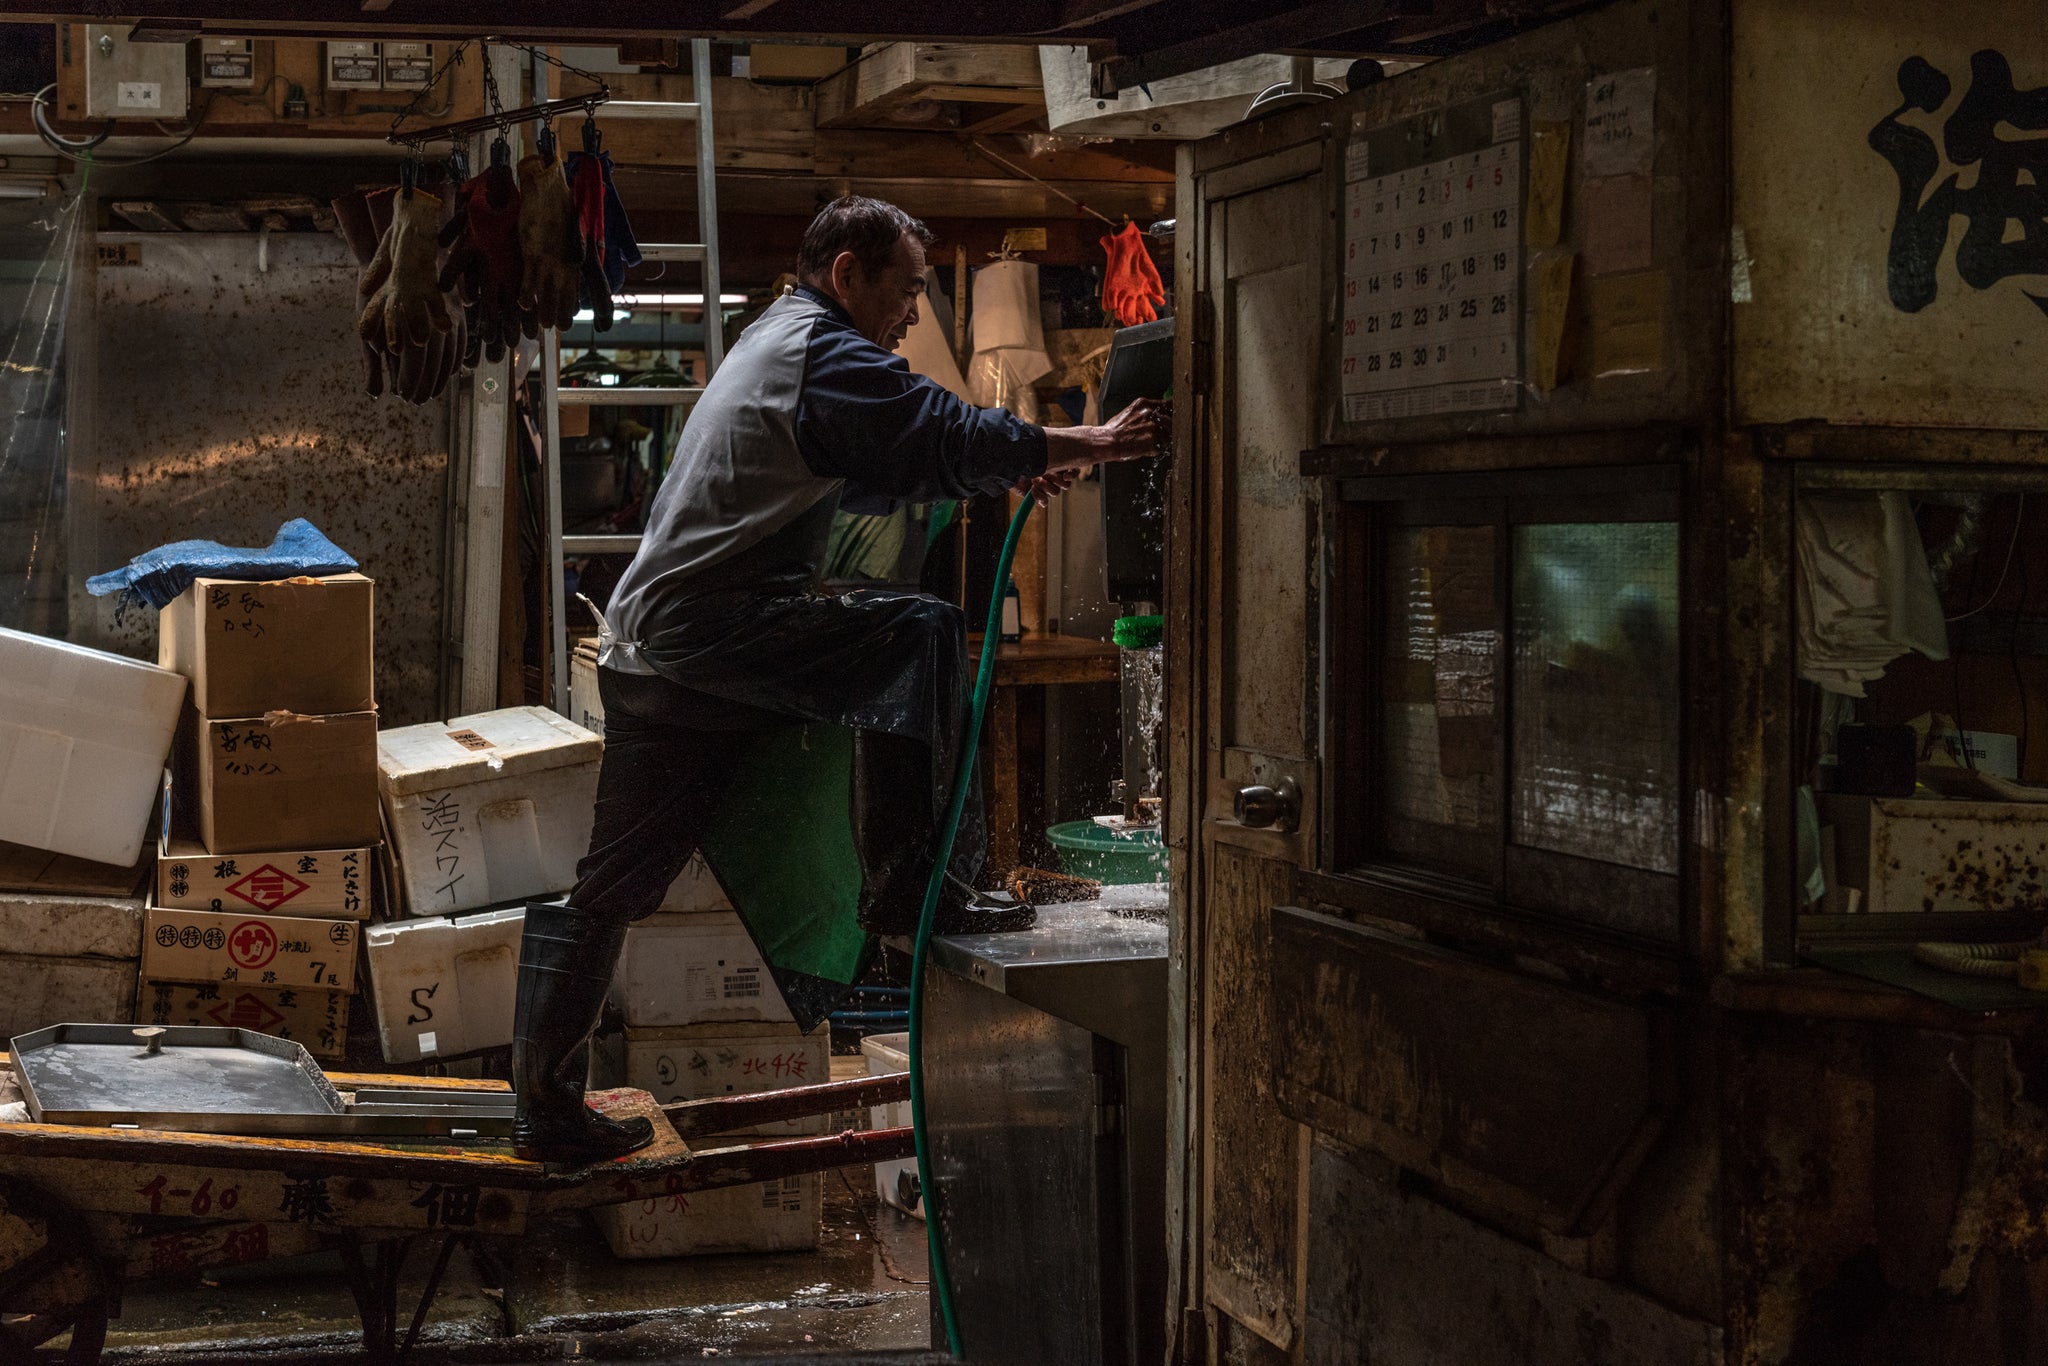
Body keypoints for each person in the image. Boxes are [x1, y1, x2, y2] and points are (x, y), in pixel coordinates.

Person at [512, 195, 1167, 1163]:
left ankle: (543, 1110)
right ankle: (917, 889)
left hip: (655, 648)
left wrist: (1003, 470)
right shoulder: (819, 352)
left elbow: (881, 465)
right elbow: (930, 428)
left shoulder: (777, 341)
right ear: (847, 273)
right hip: (705, 632)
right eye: (903, 289)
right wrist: (1084, 442)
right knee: (922, 632)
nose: (910, 313)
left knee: (613, 884)